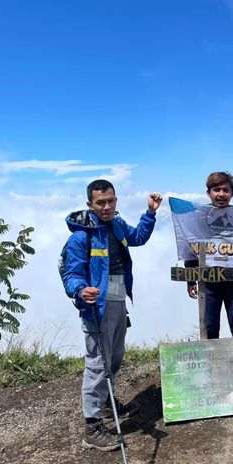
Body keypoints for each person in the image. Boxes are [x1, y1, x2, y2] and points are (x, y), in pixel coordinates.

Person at [60, 179, 162, 450]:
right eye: (100, 203)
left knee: (115, 357)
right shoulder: (81, 236)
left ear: (116, 200)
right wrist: (81, 290)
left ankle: (105, 404)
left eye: (111, 201)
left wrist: (150, 213)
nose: (106, 207)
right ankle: (92, 427)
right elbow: (71, 273)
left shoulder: (116, 224)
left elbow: (137, 238)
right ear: (90, 205)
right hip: (96, 305)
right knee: (98, 362)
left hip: (117, 299)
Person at [186, 172, 233, 339]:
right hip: (208, 282)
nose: (221, 194)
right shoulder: (199, 218)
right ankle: (213, 365)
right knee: (209, 328)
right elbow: (190, 247)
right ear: (209, 193)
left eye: (225, 190)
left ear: (232, 193)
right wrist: (191, 279)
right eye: (216, 190)